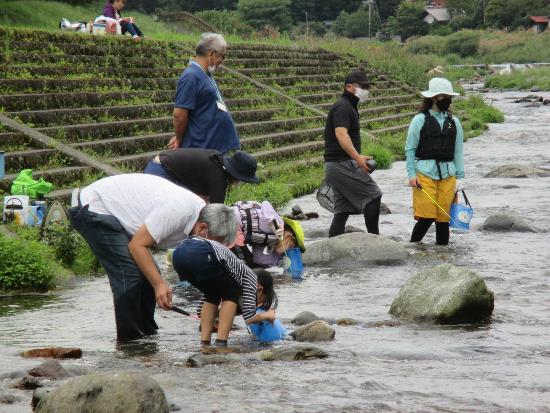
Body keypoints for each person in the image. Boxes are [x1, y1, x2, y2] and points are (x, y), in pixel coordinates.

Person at [68, 173, 236, 341]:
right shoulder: (179, 210)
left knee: (150, 274)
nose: (212, 249)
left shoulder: (199, 216)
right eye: (214, 243)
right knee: (130, 273)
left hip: (117, 215)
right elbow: (137, 245)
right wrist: (159, 285)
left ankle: (147, 334)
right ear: (203, 228)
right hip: (94, 207)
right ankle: (130, 344)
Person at [171, 234, 277, 346]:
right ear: (260, 289)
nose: (255, 305)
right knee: (231, 294)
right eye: (260, 301)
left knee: (212, 295)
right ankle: (221, 344)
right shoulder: (250, 277)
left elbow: (200, 311)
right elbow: (249, 318)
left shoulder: (228, 276)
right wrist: (268, 315)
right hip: (202, 252)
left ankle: (205, 344)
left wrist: (225, 313)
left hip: (178, 255)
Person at [405, 77, 465, 245]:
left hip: (448, 175)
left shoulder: (455, 122)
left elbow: (458, 151)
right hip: (424, 174)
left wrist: (460, 177)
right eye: (442, 96)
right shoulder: (419, 120)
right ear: (432, 98)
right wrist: (411, 174)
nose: (446, 100)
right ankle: (412, 248)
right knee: (426, 218)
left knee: (443, 220)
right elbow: (409, 149)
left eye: (448, 97)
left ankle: (442, 256)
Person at [323, 70, 383, 237]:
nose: (366, 90)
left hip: (335, 166)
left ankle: (332, 245)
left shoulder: (349, 105)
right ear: (349, 87)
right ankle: (374, 239)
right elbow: (341, 134)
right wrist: (358, 158)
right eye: (363, 87)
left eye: (368, 87)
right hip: (342, 163)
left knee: (342, 211)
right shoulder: (343, 106)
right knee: (373, 196)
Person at [167, 33, 239, 154]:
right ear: (212, 54)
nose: (222, 61)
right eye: (222, 56)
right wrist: (179, 138)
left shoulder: (205, 74)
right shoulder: (191, 76)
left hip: (216, 147)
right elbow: (179, 115)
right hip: (205, 149)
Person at [143, 148, 259, 203]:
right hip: (160, 171)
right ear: (236, 175)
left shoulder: (218, 161)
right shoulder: (218, 178)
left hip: (166, 167)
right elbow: (215, 212)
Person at [231, 200, 305, 268]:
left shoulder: (270, 240)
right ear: (290, 237)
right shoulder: (279, 224)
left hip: (237, 234)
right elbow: (265, 204)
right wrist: (275, 227)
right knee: (243, 263)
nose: (290, 249)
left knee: (251, 263)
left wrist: (280, 260)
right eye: (292, 246)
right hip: (231, 219)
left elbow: (258, 258)